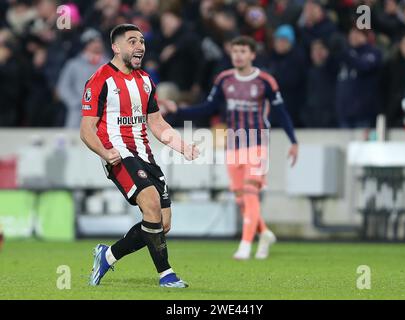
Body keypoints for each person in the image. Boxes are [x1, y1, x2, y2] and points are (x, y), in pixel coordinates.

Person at [80, 24, 199, 288]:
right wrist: (104, 152)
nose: (140, 47)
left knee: (161, 223)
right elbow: (86, 129)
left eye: (142, 42)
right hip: (119, 155)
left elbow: (156, 123)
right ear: (116, 47)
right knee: (152, 203)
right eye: (132, 41)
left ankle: (107, 255)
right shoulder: (100, 80)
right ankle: (166, 274)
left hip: (144, 154)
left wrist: (182, 145)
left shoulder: (145, 80)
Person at [172, 36, 298, 260]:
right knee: (241, 199)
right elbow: (208, 107)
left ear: (252, 54)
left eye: (242, 51)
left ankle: (245, 245)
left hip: (257, 143)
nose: (238, 55)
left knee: (251, 194)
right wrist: (179, 111)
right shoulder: (224, 79)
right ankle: (265, 233)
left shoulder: (265, 81)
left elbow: (281, 112)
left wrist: (293, 141)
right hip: (233, 144)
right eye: (235, 51)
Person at [57, 29, 108, 128]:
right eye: (92, 42)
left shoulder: (109, 64)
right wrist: (75, 102)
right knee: (73, 140)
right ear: (86, 44)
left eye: (98, 41)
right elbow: (63, 86)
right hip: (78, 112)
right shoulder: (74, 64)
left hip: (103, 112)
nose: (97, 44)